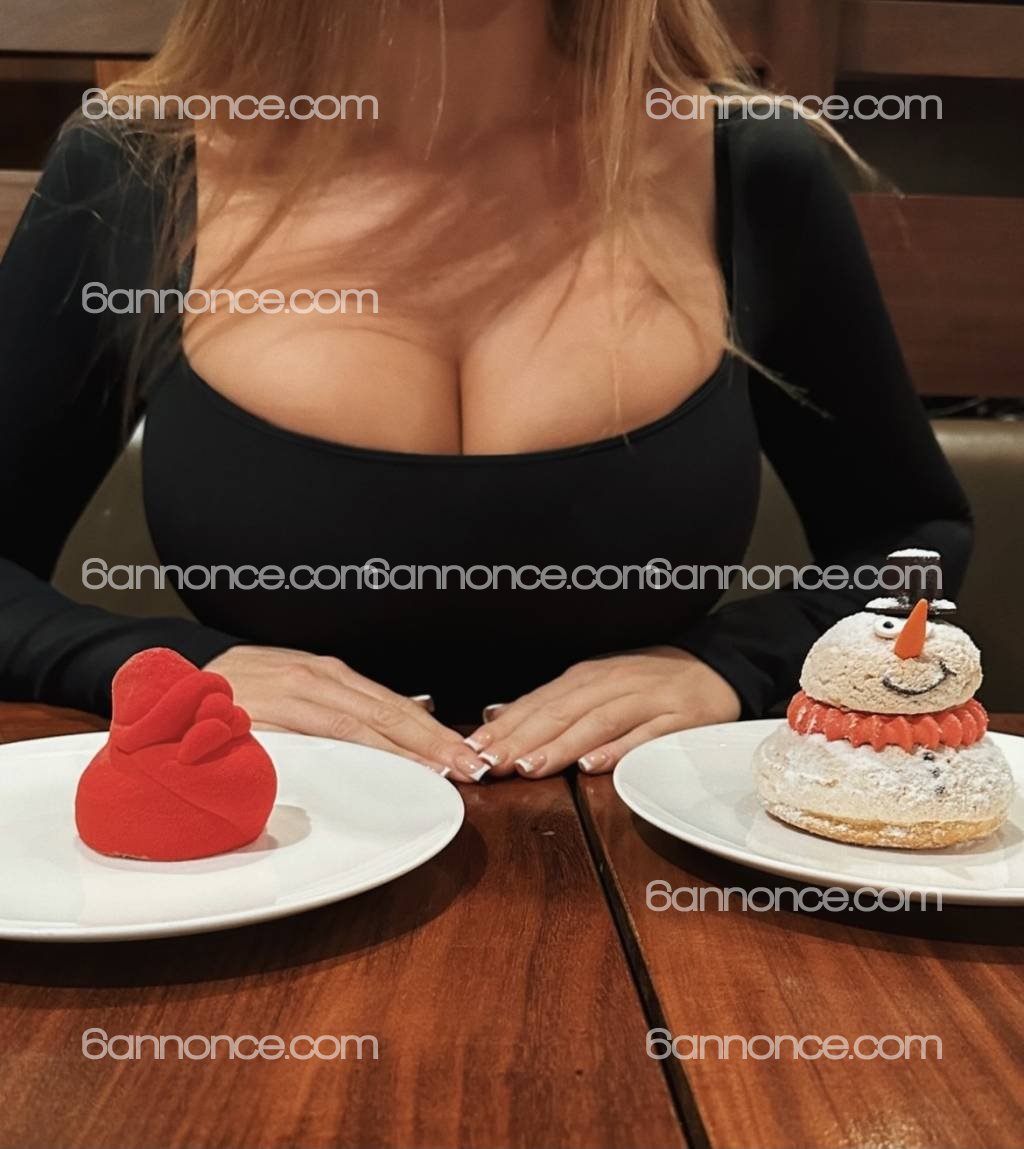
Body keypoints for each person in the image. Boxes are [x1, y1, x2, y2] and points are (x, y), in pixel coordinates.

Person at [0, 0, 971, 784]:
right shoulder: (136, 171)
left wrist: (731, 664)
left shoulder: (745, 165)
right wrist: (172, 671)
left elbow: (914, 540)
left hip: (660, 851)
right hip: (257, 847)